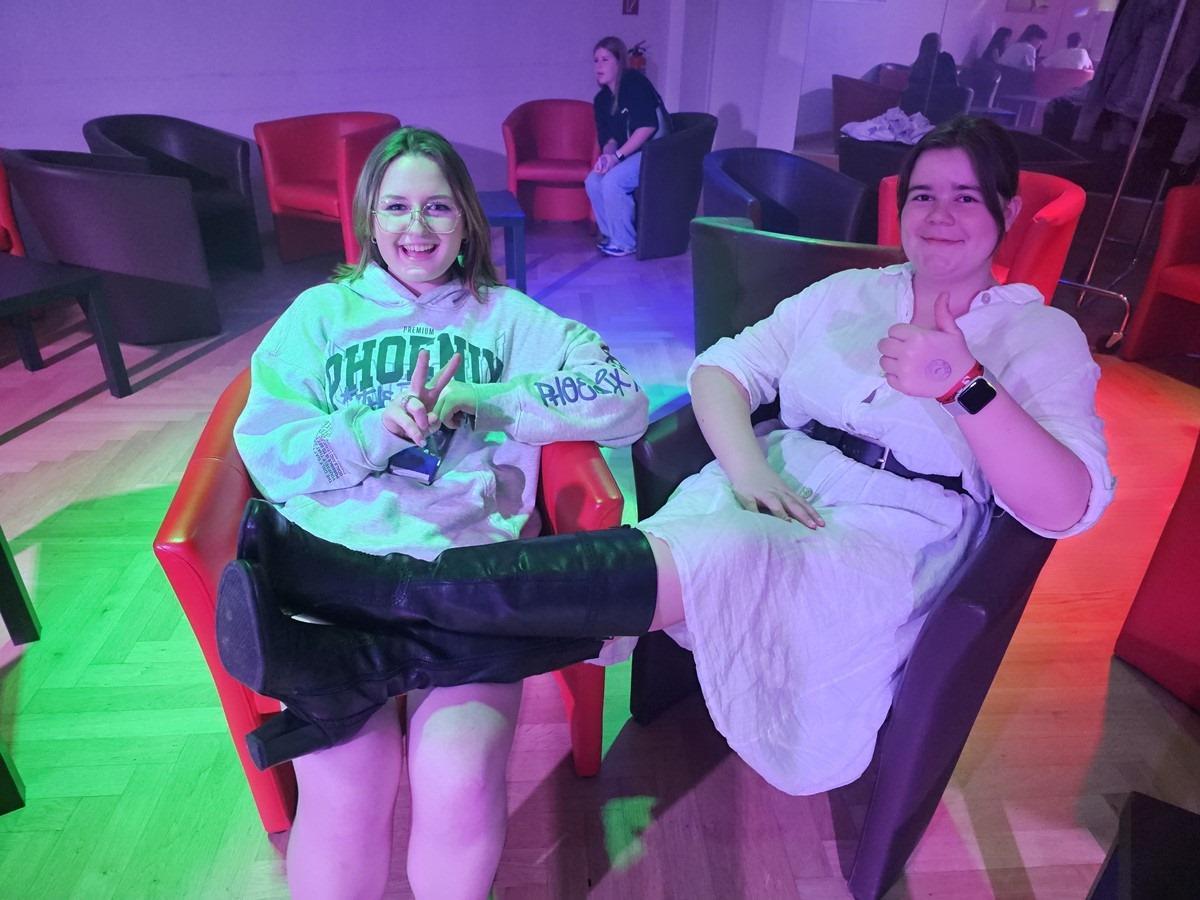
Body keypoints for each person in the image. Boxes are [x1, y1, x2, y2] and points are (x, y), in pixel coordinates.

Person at [218, 117, 1113, 812]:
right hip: (774, 480)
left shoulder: (1039, 334)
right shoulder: (849, 293)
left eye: (966, 197)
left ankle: (364, 602)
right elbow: (721, 368)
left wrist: (965, 386)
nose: (940, 215)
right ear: (898, 206)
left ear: (1006, 212)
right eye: (923, 195)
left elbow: (1066, 507)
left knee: (707, 553)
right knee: (681, 549)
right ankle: (364, 664)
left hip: (888, 532)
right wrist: (747, 466)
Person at [225, 126, 648, 900]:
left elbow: (623, 401)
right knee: (348, 780)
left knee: (458, 775)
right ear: (369, 217)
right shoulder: (320, 315)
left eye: (438, 208)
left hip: (465, 578)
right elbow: (267, 453)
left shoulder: (508, 318)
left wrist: (485, 400)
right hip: (337, 578)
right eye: (396, 207)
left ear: (466, 221)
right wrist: (370, 432)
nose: (415, 228)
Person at [585, 35, 668, 257]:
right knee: (593, 180)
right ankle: (611, 235)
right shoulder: (601, 100)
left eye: (605, 60)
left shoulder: (634, 83)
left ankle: (625, 242)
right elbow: (609, 139)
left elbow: (647, 127)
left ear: (619, 62)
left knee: (614, 181)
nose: (599, 66)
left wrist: (618, 158)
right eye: (596, 60)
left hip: (655, 152)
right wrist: (607, 157)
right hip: (628, 154)